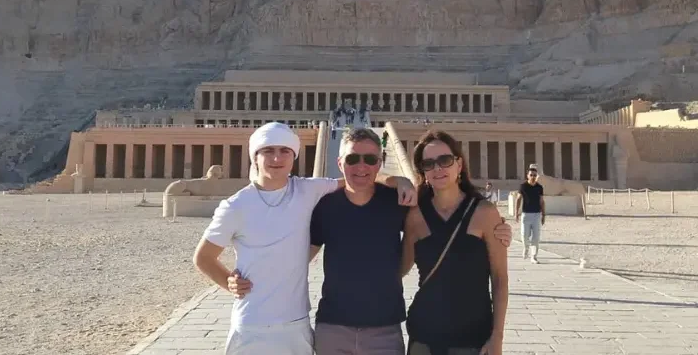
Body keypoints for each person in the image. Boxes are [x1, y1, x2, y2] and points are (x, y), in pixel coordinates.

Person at [228, 128, 512, 355]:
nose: (361, 166)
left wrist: (501, 231)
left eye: (370, 160)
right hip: (340, 328)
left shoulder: (404, 204)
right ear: (340, 162)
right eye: (352, 159)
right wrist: (246, 273)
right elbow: (296, 258)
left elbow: (493, 272)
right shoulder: (327, 205)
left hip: (391, 330)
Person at [192, 122, 416, 355]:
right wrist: (229, 281)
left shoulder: (307, 191)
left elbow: (358, 181)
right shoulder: (235, 206)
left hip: (297, 322)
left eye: (284, 151)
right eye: (268, 150)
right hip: (252, 322)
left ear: (293, 156)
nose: (277, 158)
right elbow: (203, 258)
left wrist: (397, 180)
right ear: (254, 156)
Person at [401, 130, 509, 355]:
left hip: (472, 339)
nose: (438, 168)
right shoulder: (415, 215)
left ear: (459, 164)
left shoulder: (485, 213)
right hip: (424, 337)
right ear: (423, 171)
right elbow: (400, 269)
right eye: (429, 163)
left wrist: (497, 335)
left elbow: (499, 279)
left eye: (445, 160)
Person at [515, 164, 546, 263]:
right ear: (527, 175)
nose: (533, 177)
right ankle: (525, 247)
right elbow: (518, 199)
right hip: (526, 214)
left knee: (536, 237)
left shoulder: (539, 187)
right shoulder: (523, 186)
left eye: (534, 175)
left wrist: (544, 215)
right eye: (531, 175)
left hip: (536, 214)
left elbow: (542, 201)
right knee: (524, 235)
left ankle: (534, 256)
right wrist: (516, 213)